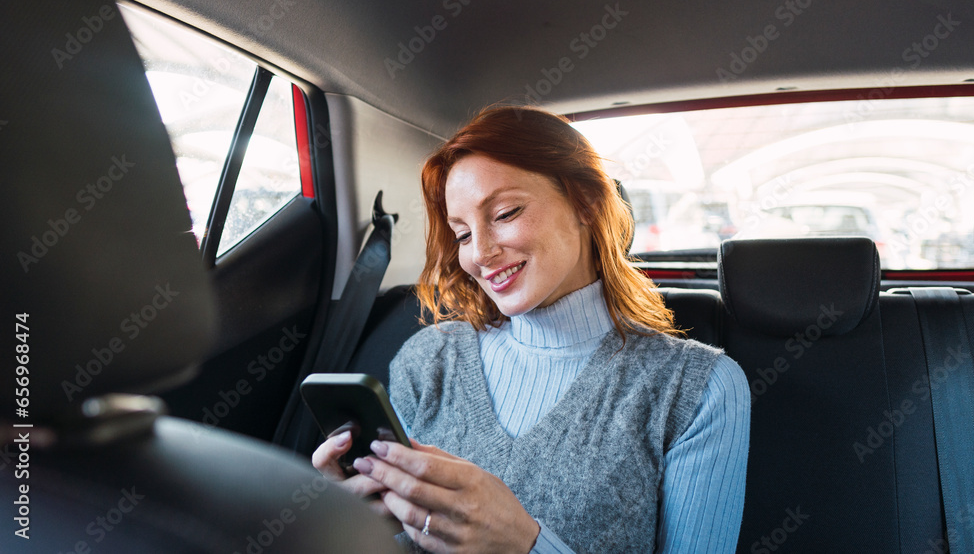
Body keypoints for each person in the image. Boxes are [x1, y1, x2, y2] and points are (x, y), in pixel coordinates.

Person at [313, 105, 750, 553]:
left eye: (505, 213)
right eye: (462, 234)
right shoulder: (427, 360)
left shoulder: (697, 389)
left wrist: (524, 543)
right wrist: (355, 526)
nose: (480, 253)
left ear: (586, 201)